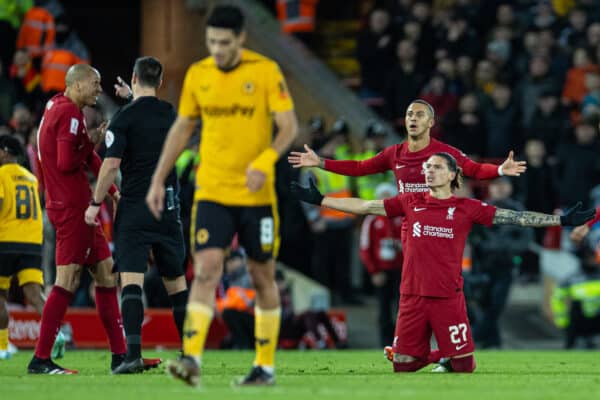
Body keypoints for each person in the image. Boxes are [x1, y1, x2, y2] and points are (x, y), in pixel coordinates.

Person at [291, 152, 594, 373]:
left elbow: (516, 217)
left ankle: (448, 357)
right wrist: (322, 201)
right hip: (411, 295)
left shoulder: (467, 207)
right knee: (402, 367)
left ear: (452, 174)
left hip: (448, 296)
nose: (429, 171)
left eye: (436, 167)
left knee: (464, 367)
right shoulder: (410, 201)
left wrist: (562, 220)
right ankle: (435, 356)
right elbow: (366, 206)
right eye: (426, 167)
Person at [146, 5, 298, 387]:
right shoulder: (199, 75)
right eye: (212, 42)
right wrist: (157, 179)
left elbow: (288, 127)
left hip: (256, 196)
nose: (217, 49)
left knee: (262, 276)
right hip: (212, 191)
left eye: (225, 43)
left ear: (241, 39)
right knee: (207, 270)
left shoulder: (265, 71)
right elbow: (182, 128)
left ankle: (264, 367)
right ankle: (192, 359)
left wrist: (264, 161)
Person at [28, 64, 158, 375]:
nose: (99, 90)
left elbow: (85, 157)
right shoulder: (72, 115)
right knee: (67, 281)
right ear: (79, 83)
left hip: (74, 205)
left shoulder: (56, 106)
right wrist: (93, 140)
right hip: (72, 209)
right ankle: (40, 359)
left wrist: (112, 190)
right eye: (96, 83)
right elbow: (67, 161)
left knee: (105, 275)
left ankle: (121, 356)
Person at [83, 57, 188, 374]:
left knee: (131, 282)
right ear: (160, 80)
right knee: (177, 285)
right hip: (168, 207)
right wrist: (132, 97)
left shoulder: (123, 120)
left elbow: (111, 166)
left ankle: (133, 355)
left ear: (133, 77)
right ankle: (189, 353)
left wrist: (95, 202)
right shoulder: (171, 114)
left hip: (135, 209)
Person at [0, 135, 64, 360]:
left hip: (6, 241)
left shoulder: (0, 175)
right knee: (35, 295)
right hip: (31, 243)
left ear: (6, 152)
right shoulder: (31, 178)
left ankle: (3, 346)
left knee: (0, 295)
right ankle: (57, 333)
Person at [359, 182, 402, 347]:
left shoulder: (403, 217)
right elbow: (365, 248)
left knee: (402, 308)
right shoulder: (371, 220)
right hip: (382, 271)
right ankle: (385, 343)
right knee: (384, 308)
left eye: (388, 196)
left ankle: (402, 342)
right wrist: (374, 271)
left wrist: (401, 246)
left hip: (401, 270)